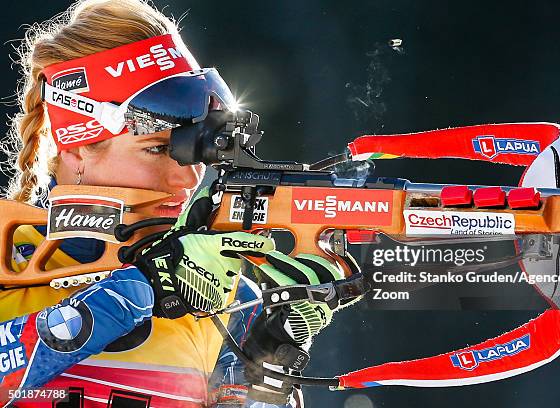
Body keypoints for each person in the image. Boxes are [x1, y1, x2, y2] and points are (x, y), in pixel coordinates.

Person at [0, 1, 348, 407]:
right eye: (157, 149)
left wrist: (269, 356)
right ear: (76, 147)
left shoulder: (226, 297)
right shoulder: (10, 260)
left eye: (194, 153)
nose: (188, 177)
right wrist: (138, 290)